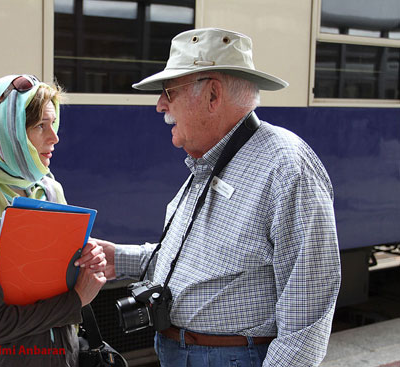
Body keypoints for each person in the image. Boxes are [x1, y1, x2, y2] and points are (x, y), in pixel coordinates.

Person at [89, 28, 341, 366]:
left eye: (169, 91)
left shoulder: (286, 166)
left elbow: (308, 318)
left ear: (212, 95)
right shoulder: (212, 158)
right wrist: (118, 258)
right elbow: (197, 263)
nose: (160, 104)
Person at [0, 74, 106, 366]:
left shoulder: (48, 189)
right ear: (9, 133)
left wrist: (84, 257)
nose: (54, 137)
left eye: (53, 123)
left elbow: (55, 276)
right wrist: (76, 301)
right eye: (40, 126)